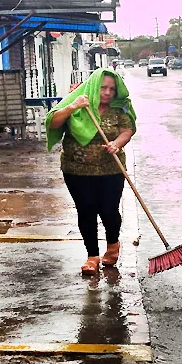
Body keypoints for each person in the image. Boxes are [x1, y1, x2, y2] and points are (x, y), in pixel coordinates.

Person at [46, 68, 137, 276]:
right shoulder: (78, 100)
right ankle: (92, 256)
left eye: (112, 89)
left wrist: (117, 143)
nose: (107, 93)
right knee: (86, 210)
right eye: (103, 87)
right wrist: (72, 106)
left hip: (110, 169)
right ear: (95, 86)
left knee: (108, 209)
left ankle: (113, 244)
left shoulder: (120, 107)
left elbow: (127, 130)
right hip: (76, 169)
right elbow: (53, 122)